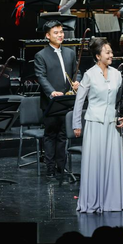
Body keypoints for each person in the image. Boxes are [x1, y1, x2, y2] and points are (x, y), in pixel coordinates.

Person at [73, 38, 123, 212]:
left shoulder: (117, 74)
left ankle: (112, 202)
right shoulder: (89, 74)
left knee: (112, 162)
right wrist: (77, 124)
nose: (111, 55)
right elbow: (79, 101)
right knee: (94, 163)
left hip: (112, 124)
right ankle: (92, 201)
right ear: (98, 56)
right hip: (94, 123)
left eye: (111, 52)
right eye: (107, 52)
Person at [34, 20, 79, 178]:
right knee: (50, 135)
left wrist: (77, 82)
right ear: (47, 36)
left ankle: (61, 167)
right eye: (56, 33)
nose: (60, 35)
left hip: (66, 101)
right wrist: (52, 92)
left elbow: (76, 72)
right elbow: (41, 77)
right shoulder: (41, 55)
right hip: (51, 102)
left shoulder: (70, 53)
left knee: (62, 135)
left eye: (61, 32)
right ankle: (50, 169)